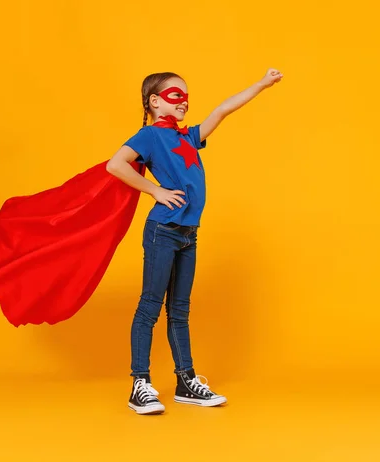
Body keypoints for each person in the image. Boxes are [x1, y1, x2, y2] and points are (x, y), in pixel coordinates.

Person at [106, 69, 283, 415]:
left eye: (187, 95)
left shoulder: (187, 137)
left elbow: (222, 110)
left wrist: (260, 84)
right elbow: (116, 165)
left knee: (180, 311)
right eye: (175, 95)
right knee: (150, 307)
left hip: (188, 234)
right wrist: (155, 190)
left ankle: (185, 380)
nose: (184, 101)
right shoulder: (149, 136)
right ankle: (139, 384)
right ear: (155, 102)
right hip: (163, 231)